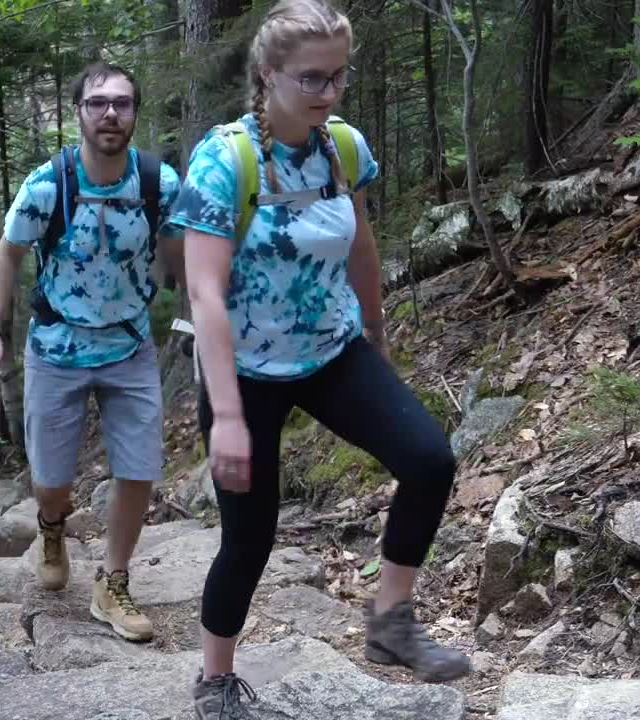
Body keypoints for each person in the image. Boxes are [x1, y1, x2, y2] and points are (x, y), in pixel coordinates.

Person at [167, 1, 470, 715]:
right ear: (267, 75)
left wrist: (377, 330)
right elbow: (204, 294)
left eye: (339, 77)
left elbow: (359, 243)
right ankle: (214, 679)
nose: (328, 93)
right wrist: (231, 419)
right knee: (250, 537)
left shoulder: (342, 148)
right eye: (311, 80)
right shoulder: (224, 160)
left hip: (331, 349)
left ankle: (391, 623)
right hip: (242, 367)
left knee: (430, 460)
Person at [0, 61, 182, 643]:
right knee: (51, 479)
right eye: (98, 103)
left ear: (136, 112)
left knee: (138, 467)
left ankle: (113, 582)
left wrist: (204, 306)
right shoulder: (48, 184)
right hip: (56, 347)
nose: (110, 113)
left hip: (130, 344)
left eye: (122, 102)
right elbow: (7, 255)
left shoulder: (157, 182)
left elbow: (179, 247)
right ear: (79, 113)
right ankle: (51, 526)